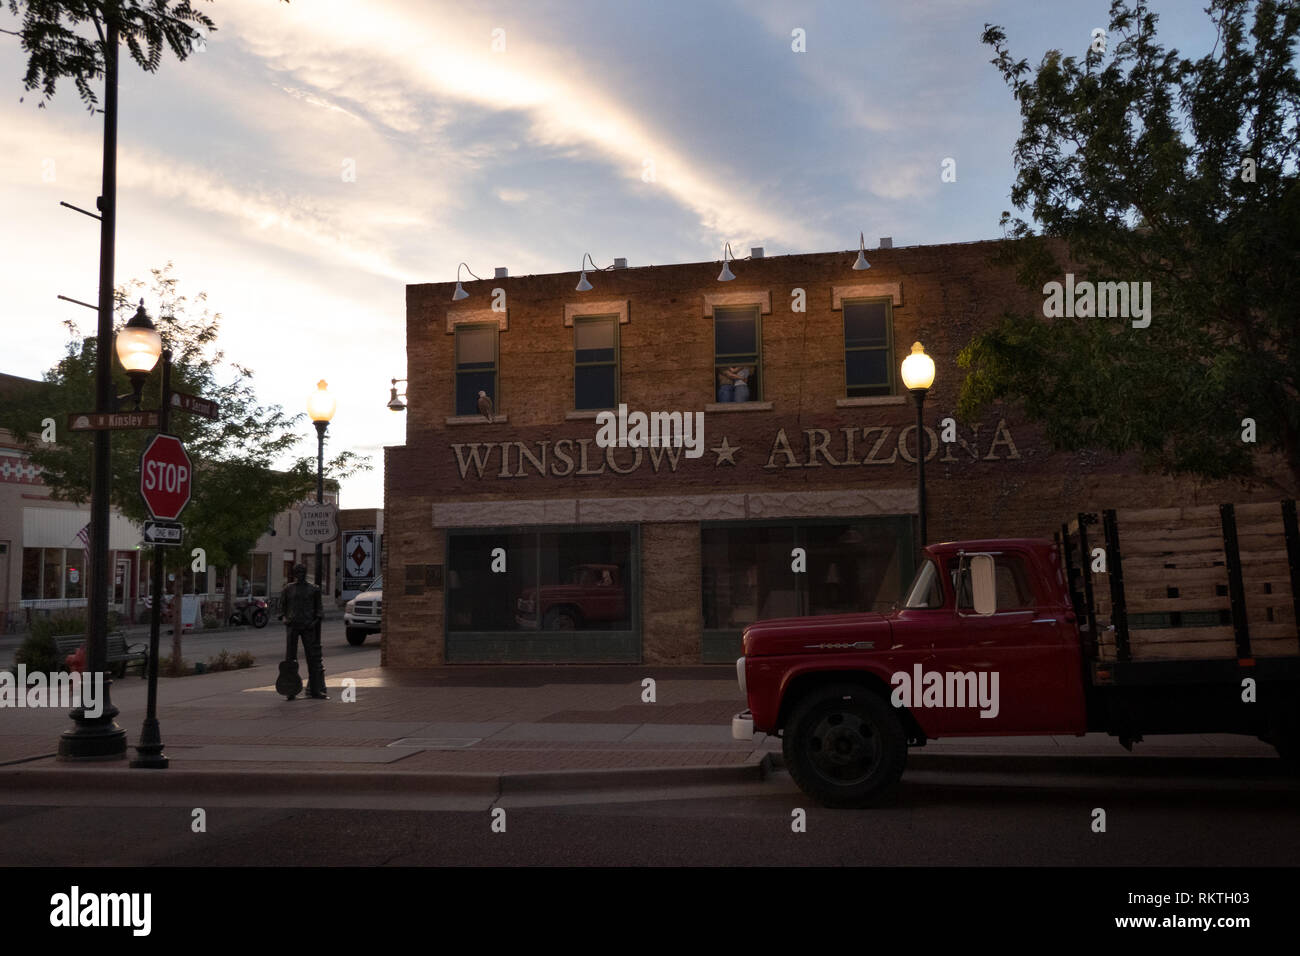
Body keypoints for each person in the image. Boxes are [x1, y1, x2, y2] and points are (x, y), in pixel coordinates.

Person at [279, 563, 327, 699]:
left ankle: (315, 690)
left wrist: (314, 623)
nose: (300, 574)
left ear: (305, 573)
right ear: (294, 574)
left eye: (302, 572)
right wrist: (284, 619)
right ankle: (290, 691)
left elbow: (319, 610)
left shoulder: (314, 589)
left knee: (312, 659)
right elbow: (281, 608)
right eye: (297, 572)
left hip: (308, 627)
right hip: (292, 627)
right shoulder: (288, 589)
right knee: (290, 660)